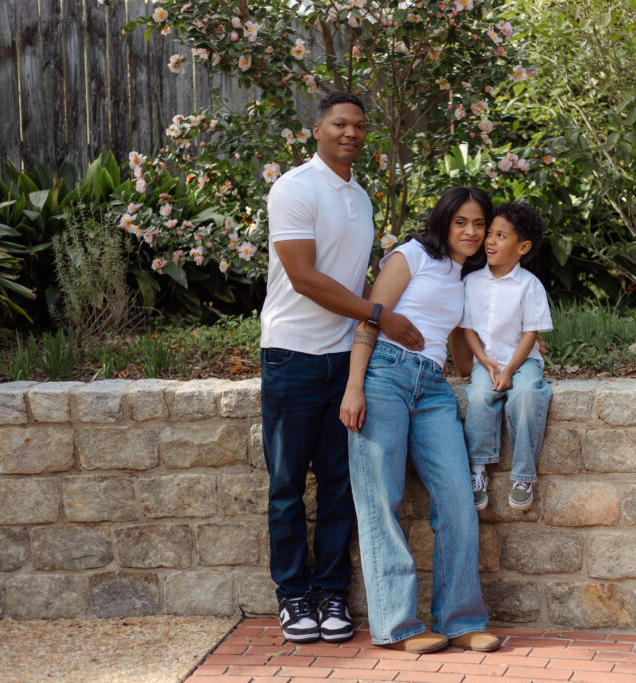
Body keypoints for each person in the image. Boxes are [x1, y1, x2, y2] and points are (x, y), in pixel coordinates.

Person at [260, 92, 424, 644]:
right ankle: (292, 596)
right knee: (286, 485)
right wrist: (381, 316)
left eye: (357, 125)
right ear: (317, 129)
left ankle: (331, 593)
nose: (350, 133)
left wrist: (369, 333)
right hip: (292, 355)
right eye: (339, 124)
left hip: (344, 360)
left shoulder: (359, 196)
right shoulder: (294, 189)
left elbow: (355, 279)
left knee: (337, 485)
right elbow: (304, 278)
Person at [339, 187, 501, 654]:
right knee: (380, 500)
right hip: (384, 376)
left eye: (478, 224)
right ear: (444, 223)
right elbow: (369, 322)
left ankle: (461, 619)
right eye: (461, 223)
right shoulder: (410, 257)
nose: (470, 232)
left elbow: (459, 349)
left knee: (457, 499)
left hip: (432, 388)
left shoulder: (467, 277)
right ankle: (397, 626)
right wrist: (354, 387)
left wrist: (502, 366)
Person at [461, 202, 553, 512]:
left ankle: (523, 474)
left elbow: (530, 334)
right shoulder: (471, 283)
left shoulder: (529, 286)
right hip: (485, 361)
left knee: (526, 395)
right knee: (478, 396)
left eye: (501, 236)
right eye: (490, 233)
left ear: (522, 246)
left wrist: (511, 369)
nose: (489, 241)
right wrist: (486, 363)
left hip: (522, 360)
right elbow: (469, 329)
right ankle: (477, 471)